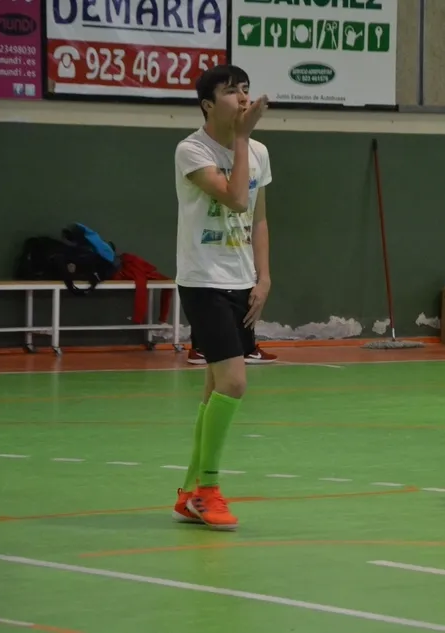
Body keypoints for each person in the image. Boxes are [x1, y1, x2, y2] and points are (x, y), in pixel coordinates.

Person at [170, 65, 272, 531]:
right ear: (208, 105)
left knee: (215, 389)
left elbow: (258, 217)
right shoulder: (191, 150)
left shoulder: (259, 152)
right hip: (204, 280)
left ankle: (189, 492)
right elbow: (234, 198)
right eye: (232, 92)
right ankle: (208, 491)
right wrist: (242, 138)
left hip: (241, 279)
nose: (243, 98)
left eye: (246, 89)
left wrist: (263, 278)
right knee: (234, 383)